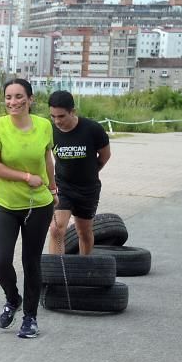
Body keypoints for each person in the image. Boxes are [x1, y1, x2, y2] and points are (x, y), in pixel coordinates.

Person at [0, 78, 56, 339]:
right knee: (1, 259)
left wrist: (54, 189)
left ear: (30, 99)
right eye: (9, 97)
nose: (13, 102)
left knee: (31, 261)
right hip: (6, 205)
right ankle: (13, 299)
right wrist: (25, 177)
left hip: (39, 205)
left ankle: (30, 318)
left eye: (19, 96)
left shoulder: (45, 126)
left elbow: (47, 158)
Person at [47, 90, 111, 256]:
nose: (57, 121)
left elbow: (105, 155)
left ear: (72, 111)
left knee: (83, 232)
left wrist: (91, 172)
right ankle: (56, 274)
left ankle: (84, 268)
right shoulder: (50, 131)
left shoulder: (92, 129)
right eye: (53, 116)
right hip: (63, 187)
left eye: (61, 116)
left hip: (87, 189)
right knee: (56, 229)